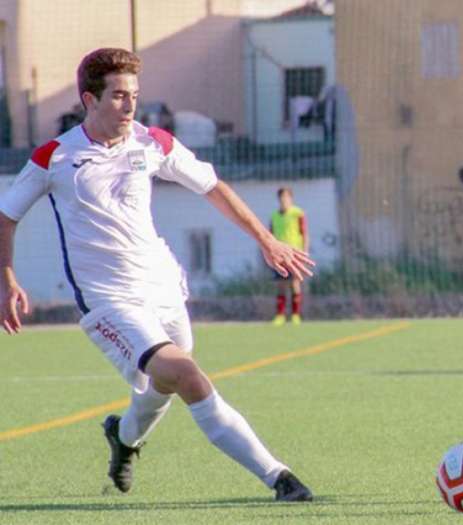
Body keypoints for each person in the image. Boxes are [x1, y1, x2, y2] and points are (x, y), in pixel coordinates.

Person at [0, 48, 315, 501]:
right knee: (186, 373)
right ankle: (280, 478)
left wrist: (267, 240)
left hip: (164, 288)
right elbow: (6, 215)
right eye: (118, 96)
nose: (130, 106)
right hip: (109, 301)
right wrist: (7, 278)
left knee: (161, 386)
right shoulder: (54, 157)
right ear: (89, 100)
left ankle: (123, 438)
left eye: (134, 95)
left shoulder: (154, 143)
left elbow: (212, 187)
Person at [269, 187, 308, 326]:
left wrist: (305, 251)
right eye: (281, 197)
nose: (284, 200)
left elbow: (304, 233)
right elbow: (270, 235)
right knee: (280, 285)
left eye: (286, 197)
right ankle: (280, 315)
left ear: (291, 198)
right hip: (279, 255)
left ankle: (296, 315)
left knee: (295, 284)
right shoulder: (274, 216)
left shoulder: (298, 213)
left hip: (294, 253)